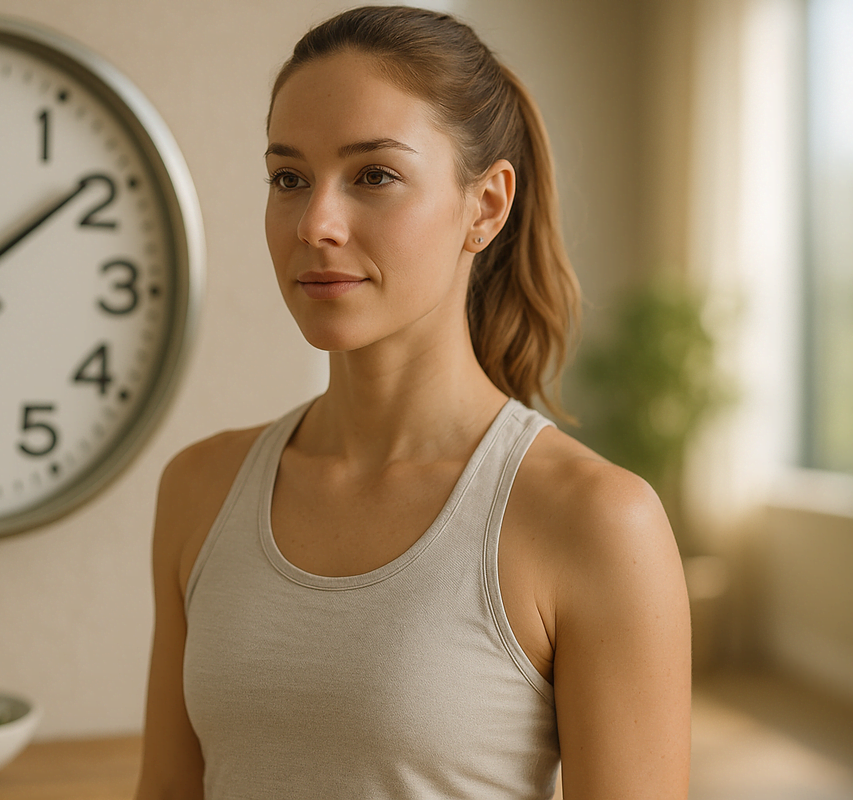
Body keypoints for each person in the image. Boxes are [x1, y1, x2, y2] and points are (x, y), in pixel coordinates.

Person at [135, 6, 691, 799]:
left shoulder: (597, 521)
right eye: (289, 178)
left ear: (486, 206)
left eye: (374, 175)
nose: (315, 224)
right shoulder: (198, 488)